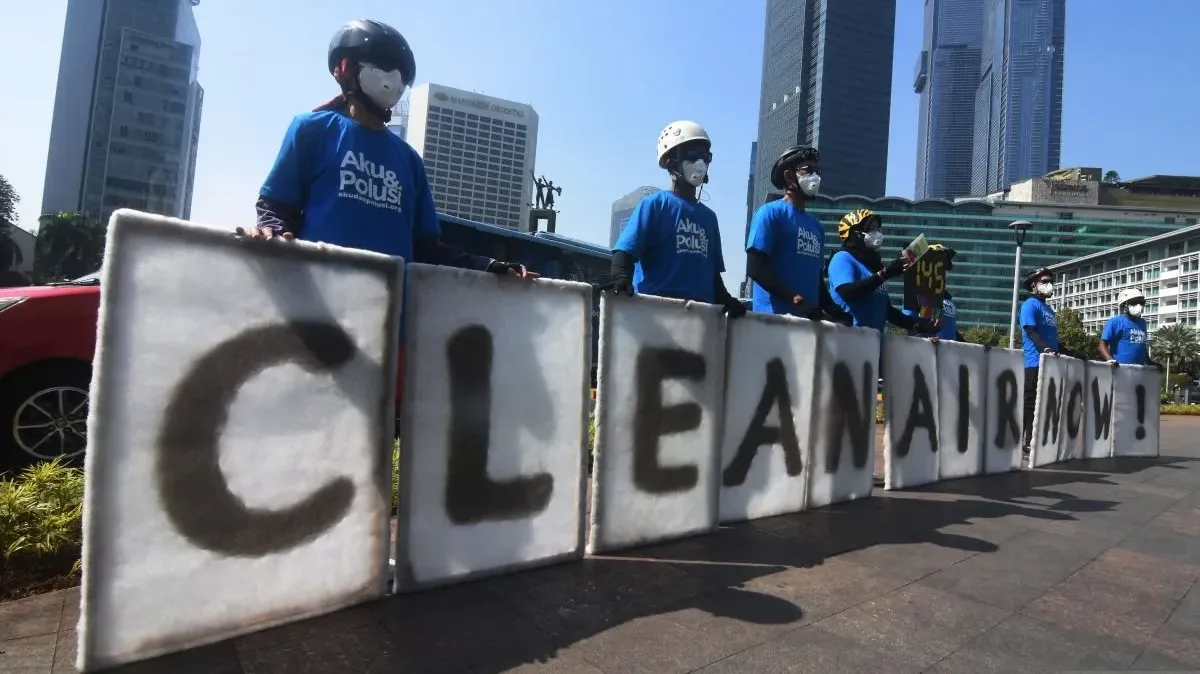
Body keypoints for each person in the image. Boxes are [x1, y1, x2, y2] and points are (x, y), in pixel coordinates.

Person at [244, 19, 536, 414]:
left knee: (373, 442)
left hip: (388, 325)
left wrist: (490, 266)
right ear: (346, 68)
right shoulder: (311, 130)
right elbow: (274, 206)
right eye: (382, 64)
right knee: (305, 434)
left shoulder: (408, 162)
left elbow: (427, 247)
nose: (394, 79)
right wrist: (274, 233)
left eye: (403, 73)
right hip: (317, 317)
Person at [609, 121, 744, 317]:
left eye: (705, 157)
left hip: (698, 318)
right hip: (656, 314)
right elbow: (625, 253)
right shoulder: (654, 205)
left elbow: (712, 275)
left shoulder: (709, 218)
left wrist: (726, 299)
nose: (700, 163)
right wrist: (620, 278)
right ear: (671, 161)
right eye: (692, 155)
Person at [744, 146, 832, 319]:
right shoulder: (769, 213)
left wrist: (833, 309)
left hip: (807, 323)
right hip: (772, 321)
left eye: (817, 170)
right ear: (789, 176)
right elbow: (755, 268)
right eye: (808, 170)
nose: (815, 176)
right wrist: (795, 299)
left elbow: (817, 279)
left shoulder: (817, 226)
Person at [826, 209, 930, 334]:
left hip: (873, 343)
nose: (877, 233)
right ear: (855, 233)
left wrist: (916, 324)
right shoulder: (843, 258)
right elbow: (847, 292)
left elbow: (886, 310)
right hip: (849, 339)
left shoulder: (874, 267)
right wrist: (885, 274)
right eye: (871, 228)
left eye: (878, 228)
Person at [1019, 267, 1060, 464]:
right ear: (1033, 285)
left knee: (1045, 404)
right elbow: (1031, 331)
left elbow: (1052, 338)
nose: (1049, 284)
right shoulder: (1030, 305)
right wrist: (1045, 348)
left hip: (1050, 362)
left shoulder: (1049, 310)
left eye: (1050, 281)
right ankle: (1025, 444)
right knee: (1030, 404)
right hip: (1034, 362)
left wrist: (1068, 352)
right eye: (1044, 281)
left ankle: (1039, 441)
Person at [905, 243, 964, 341]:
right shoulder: (917, 294)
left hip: (949, 353)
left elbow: (951, 330)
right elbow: (908, 324)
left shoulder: (948, 299)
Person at [1099, 288, 1153, 366]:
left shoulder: (1142, 323)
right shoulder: (1115, 321)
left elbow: (1142, 347)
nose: (1139, 305)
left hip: (1139, 371)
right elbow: (1102, 345)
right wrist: (1110, 360)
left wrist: (1150, 362)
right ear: (1125, 305)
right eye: (1134, 303)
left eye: (1141, 302)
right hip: (1120, 370)